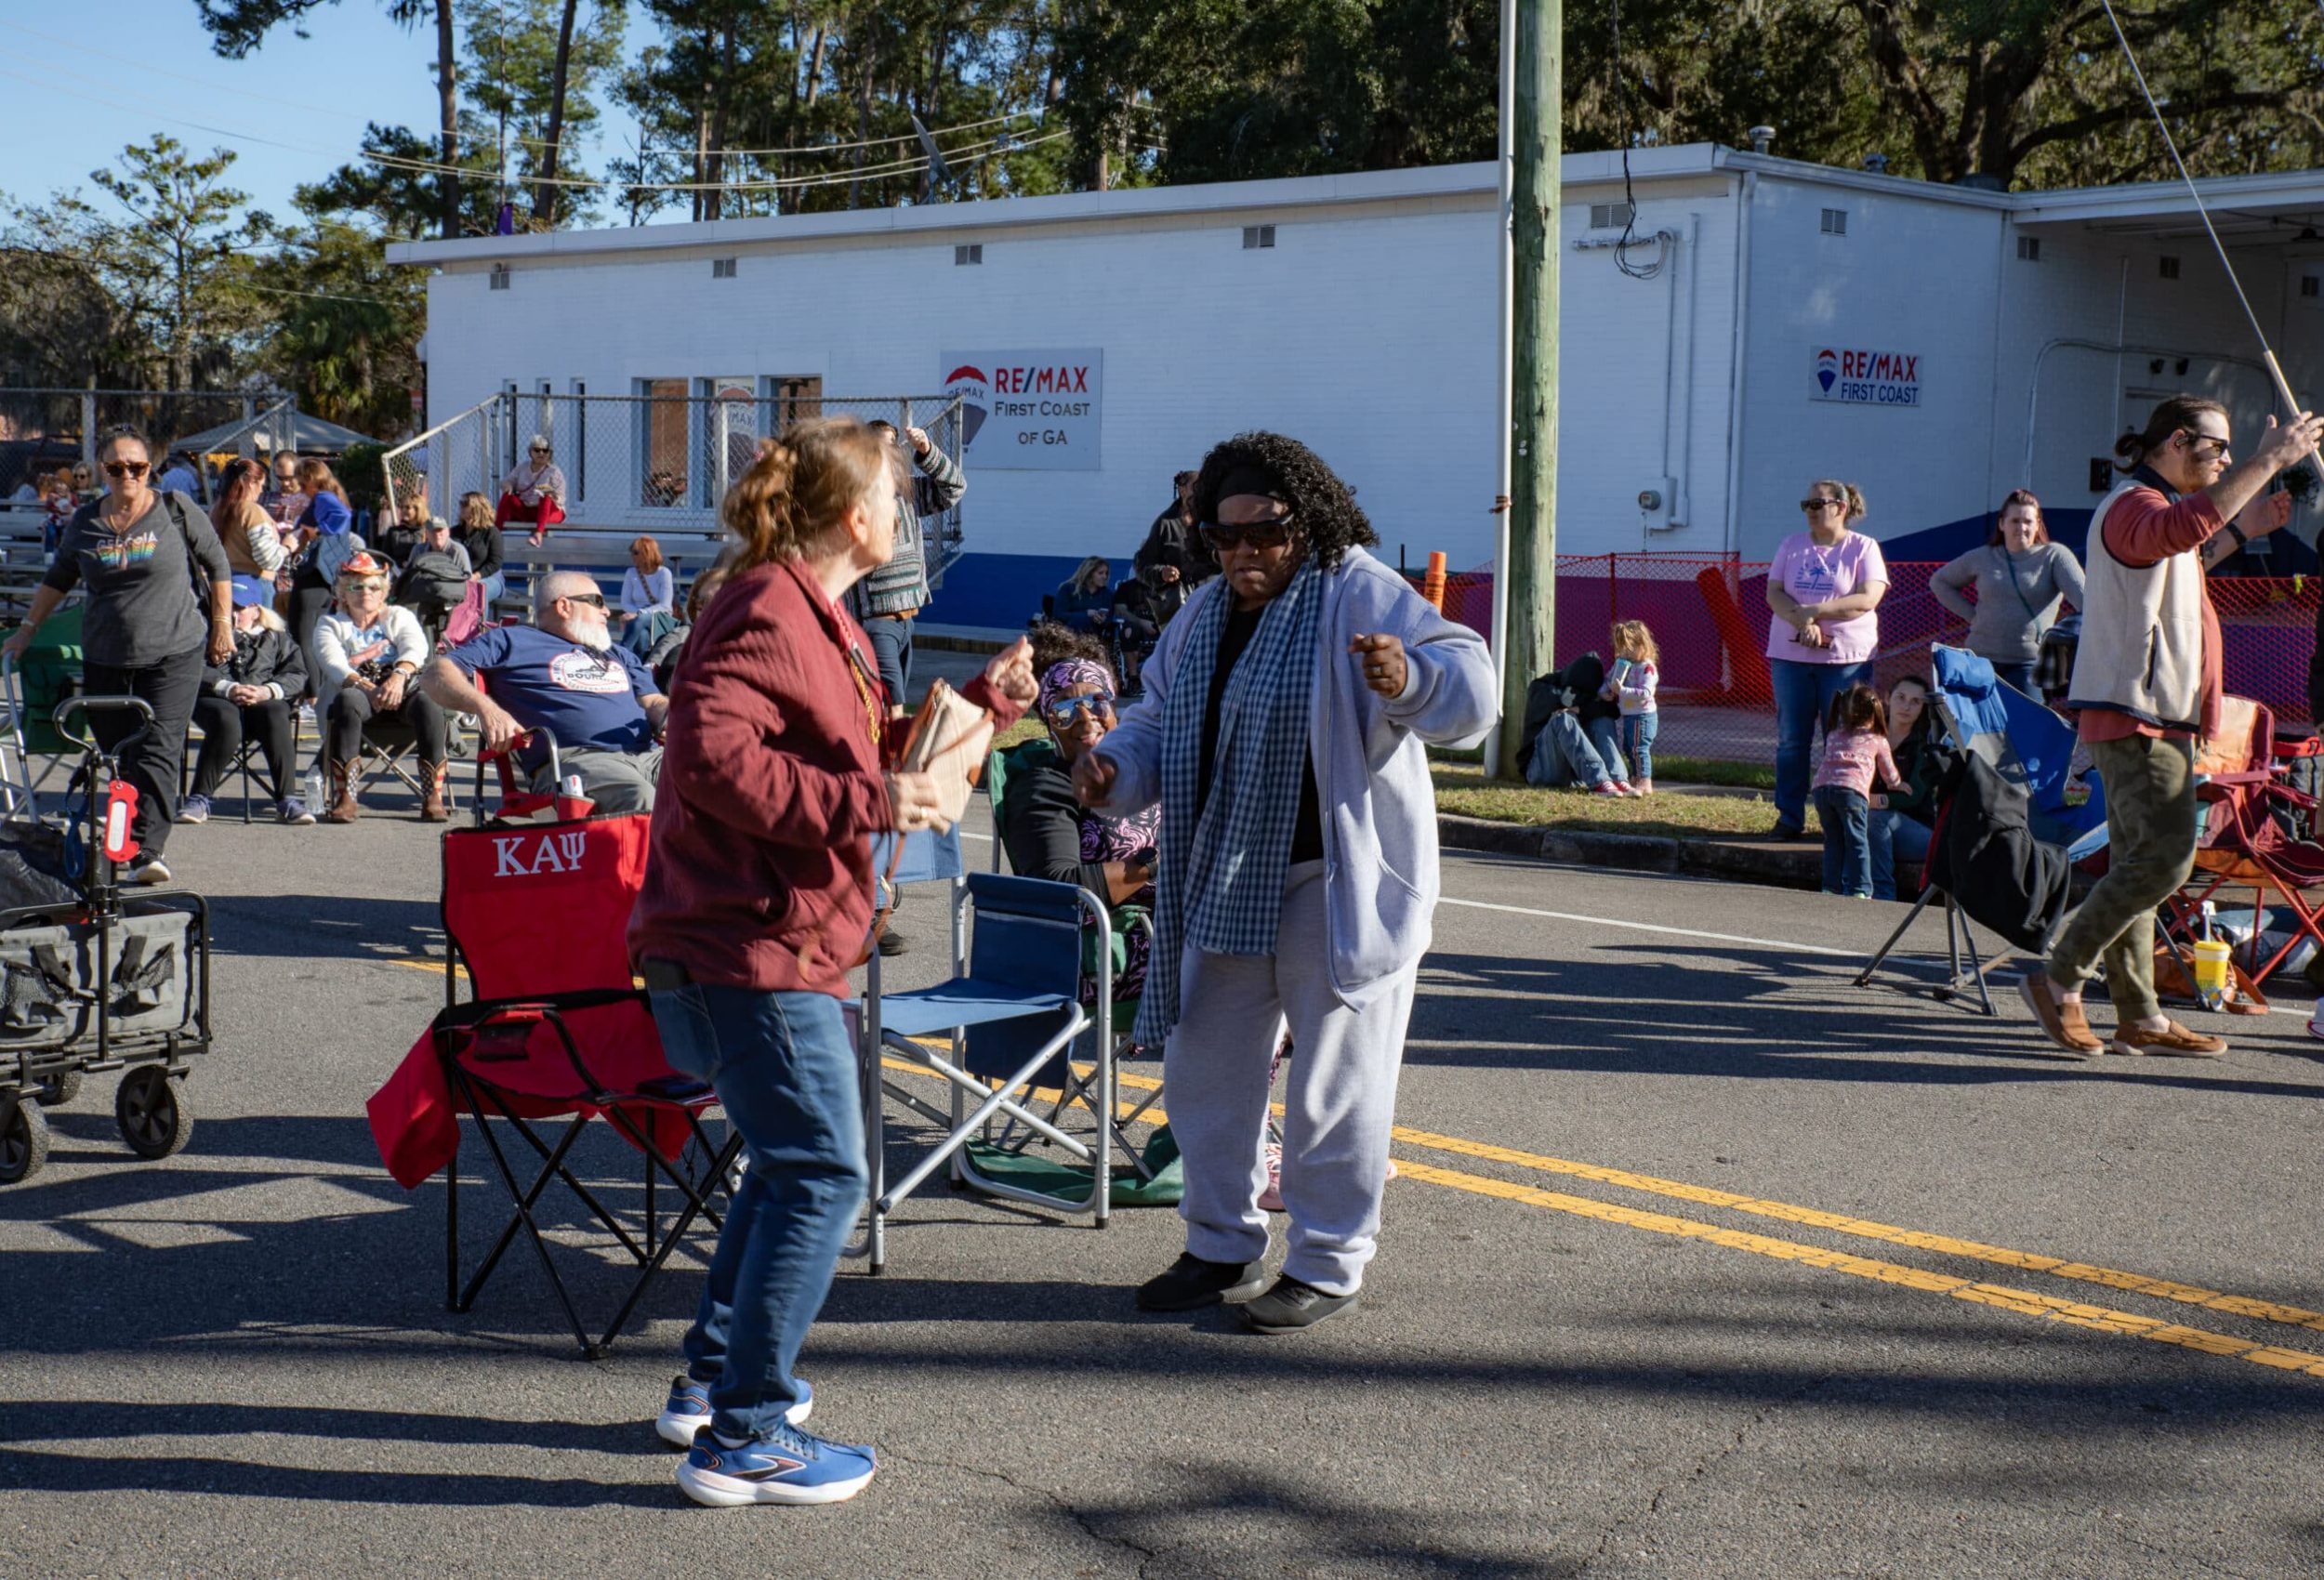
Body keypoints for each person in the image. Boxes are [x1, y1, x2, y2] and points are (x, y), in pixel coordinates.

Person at [629, 415, 1036, 1507]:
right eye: (897, 499)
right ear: (860, 518)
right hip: (751, 938)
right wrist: (865, 799)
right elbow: (711, 755)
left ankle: (715, 1382)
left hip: (761, 932)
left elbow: (843, 746)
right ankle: (745, 1433)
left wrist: (982, 708)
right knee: (824, 1169)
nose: (905, 515)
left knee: (787, 1160)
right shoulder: (770, 603)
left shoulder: (809, 609)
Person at [1074, 430, 1498, 1335]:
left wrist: (1412, 675)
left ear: (1306, 524)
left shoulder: (1357, 592)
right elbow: (1154, 717)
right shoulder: (1199, 617)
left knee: (1333, 1081)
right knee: (1207, 1069)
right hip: (1228, 871)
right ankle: (1219, 1240)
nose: (1243, 554)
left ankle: (1326, 1259)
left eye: (1263, 534)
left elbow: (1471, 683)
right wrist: (1112, 767)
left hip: (1332, 879)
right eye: (1224, 539)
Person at [2020, 394, 2323, 1060]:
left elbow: (2184, 557)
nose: (2224, 462)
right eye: (2217, 449)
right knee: (2165, 859)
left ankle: (2140, 1015)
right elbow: (2177, 535)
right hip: (2139, 716)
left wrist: (2246, 529)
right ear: (2177, 442)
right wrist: (2270, 459)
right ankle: (2060, 974)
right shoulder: (2136, 506)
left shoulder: (2152, 514)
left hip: (2148, 713)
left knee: (2138, 864)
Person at [2, 425, 232, 885]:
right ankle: (123, 837)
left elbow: (217, 564)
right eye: (117, 467)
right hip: (106, 655)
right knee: (116, 754)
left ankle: (147, 850)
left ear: (150, 469)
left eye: (137, 466)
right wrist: (26, 631)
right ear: (103, 471)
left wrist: (222, 626)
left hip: (174, 649)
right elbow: (60, 577)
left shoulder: (174, 509)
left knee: (159, 748)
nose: (127, 474)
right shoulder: (86, 521)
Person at [422, 571, 669, 815]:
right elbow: (436, 673)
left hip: (650, 754)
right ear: (564, 606)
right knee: (641, 797)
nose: (607, 611)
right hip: (576, 761)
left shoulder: (617, 653)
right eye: (597, 602)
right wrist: (487, 709)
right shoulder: (511, 641)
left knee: (707, 781)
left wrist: (672, 713)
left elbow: (653, 701)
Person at [999, 647, 1159, 1002]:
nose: (1086, 720)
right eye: (1064, 710)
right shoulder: (1045, 786)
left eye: (1097, 701)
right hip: (1108, 950)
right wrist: (1154, 864)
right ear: (1047, 722)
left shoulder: (1141, 770)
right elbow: (1058, 891)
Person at [1766, 480, 1888, 839]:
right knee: (1791, 740)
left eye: (1818, 503)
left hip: (1844, 660)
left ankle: (1838, 821)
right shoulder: (1791, 546)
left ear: (1841, 507)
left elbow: (1867, 597)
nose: (1811, 511)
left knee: (1842, 740)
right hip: (1791, 656)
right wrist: (1803, 621)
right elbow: (1774, 594)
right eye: (1806, 504)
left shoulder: (1863, 548)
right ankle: (1789, 818)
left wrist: (1814, 611)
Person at [312, 551, 448, 823]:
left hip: (401, 690)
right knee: (348, 699)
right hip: (357, 695)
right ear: (343, 592)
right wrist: (368, 688)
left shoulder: (398, 616)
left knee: (428, 701)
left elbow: (416, 647)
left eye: (374, 586)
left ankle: (433, 796)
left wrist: (398, 678)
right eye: (356, 586)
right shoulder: (329, 624)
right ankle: (346, 798)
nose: (366, 592)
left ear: (384, 592)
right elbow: (334, 664)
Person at [844, 418, 964, 717]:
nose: (888, 453)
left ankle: (883, 754)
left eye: (892, 446)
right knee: (891, 700)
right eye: (878, 446)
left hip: (907, 619)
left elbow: (954, 488)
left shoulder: (906, 492)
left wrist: (926, 450)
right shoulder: (853, 497)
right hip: (875, 620)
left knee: (888, 699)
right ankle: (890, 759)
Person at [183, 574, 312, 825]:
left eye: (240, 607)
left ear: (256, 610)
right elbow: (190, 667)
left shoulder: (278, 638)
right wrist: (226, 687)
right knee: (226, 718)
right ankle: (199, 798)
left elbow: (297, 673)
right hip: (215, 698)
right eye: (228, 605)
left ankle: (287, 799)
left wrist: (268, 690)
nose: (233, 613)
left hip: (262, 700)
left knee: (275, 712)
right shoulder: (205, 632)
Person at [1929, 492, 2087, 695]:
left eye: (2028, 521)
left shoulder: (2054, 556)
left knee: (2027, 725)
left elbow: (2087, 603)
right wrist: (1973, 616)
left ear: (2038, 525)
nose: (2021, 528)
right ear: (2002, 524)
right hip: (1979, 659)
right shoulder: (1983, 556)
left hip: (2028, 665)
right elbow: (1939, 581)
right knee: (1976, 726)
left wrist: (2062, 635)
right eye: (2015, 521)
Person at [1811, 683, 1900, 899]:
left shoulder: (1834, 733)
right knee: (1857, 841)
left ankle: (1830, 887)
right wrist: (1898, 785)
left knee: (1833, 840)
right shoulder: (1877, 739)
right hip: (1851, 792)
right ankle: (1861, 888)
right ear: (1875, 711)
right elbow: (1889, 773)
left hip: (1822, 789)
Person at [1868, 674, 1949, 903]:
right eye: (1901, 697)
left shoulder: (1924, 745)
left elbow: (1911, 797)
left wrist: (1871, 800)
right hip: (1872, 823)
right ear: (1887, 698)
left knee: (1876, 818)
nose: (1906, 706)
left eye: (1916, 702)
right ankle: (1841, 891)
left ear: (1923, 708)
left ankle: (1883, 895)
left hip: (1919, 834)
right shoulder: (1868, 735)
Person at [286, 458, 359, 704]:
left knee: (302, 636)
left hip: (313, 576)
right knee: (312, 636)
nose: (295, 483)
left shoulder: (323, 498)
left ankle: (312, 694)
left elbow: (341, 516)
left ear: (309, 479)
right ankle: (315, 692)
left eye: (298, 478)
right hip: (325, 577)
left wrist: (316, 532)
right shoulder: (328, 497)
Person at [1522, 652, 1632, 797]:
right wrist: (1588, 704)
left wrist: (1583, 707)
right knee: (1562, 718)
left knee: (1602, 719)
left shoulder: (1590, 693)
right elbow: (1563, 701)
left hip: (1576, 776)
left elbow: (1611, 711)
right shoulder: (1542, 687)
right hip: (1541, 771)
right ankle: (1598, 781)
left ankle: (1617, 778)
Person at [1604, 619, 1660, 796]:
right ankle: (1635, 777)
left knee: (1639, 748)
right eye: (1623, 648)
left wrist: (1622, 690)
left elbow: (1646, 692)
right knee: (1629, 747)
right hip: (1629, 714)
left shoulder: (1647, 668)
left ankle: (1645, 781)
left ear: (1642, 645)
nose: (1626, 652)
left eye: (1630, 648)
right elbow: (1609, 679)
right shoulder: (1622, 664)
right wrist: (1605, 691)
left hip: (1643, 715)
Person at [211, 456, 288, 581]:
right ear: (252, 483)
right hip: (255, 583)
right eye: (261, 485)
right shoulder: (251, 511)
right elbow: (268, 560)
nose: (262, 491)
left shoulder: (217, 509)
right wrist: (287, 547)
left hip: (227, 580)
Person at [1134, 469, 1213, 586]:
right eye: (1196, 488)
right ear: (1182, 490)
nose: (1201, 494)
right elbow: (1142, 566)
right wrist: (1161, 574)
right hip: (1179, 601)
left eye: (1204, 489)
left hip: (1209, 597)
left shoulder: (1211, 520)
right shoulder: (1165, 524)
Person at [495, 435, 568, 546]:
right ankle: (495, 533)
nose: (541, 453)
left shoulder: (554, 472)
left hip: (550, 512)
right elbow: (506, 482)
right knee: (508, 496)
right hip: (528, 509)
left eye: (545, 450)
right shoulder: (522, 467)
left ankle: (538, 535)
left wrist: (550, 493)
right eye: (537, 450)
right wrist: (508, 486)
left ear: (549, 453)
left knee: (545, 497)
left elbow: (561, 499)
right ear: (530, 452)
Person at [452, 490, 507, 608]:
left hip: (489, 578)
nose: (461, 506)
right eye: (461, 503)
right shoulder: (455, 532)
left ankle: (478, 625)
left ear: (476, 508)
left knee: (478, 591)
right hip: (460, 578)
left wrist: (476, 576)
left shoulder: (492, 532)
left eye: (465, 504)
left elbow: (495, 562)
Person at [1052, 556, 1116, 633]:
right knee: (1081, 621)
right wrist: (1085, 614)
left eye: (1106, 573)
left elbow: (1109, 619)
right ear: (1089, 573)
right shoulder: (1068, 588)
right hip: (1068, 633)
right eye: (1100, 573)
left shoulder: (1107, 594)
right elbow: (1058, 615)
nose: (1105, 576)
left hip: (1094, 636)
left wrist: (1102, 620)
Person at [264, 452, 306, 526]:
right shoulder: (265, 499)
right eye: (280, 478)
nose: (285, 483)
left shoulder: (310, 501)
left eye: (289, 478)